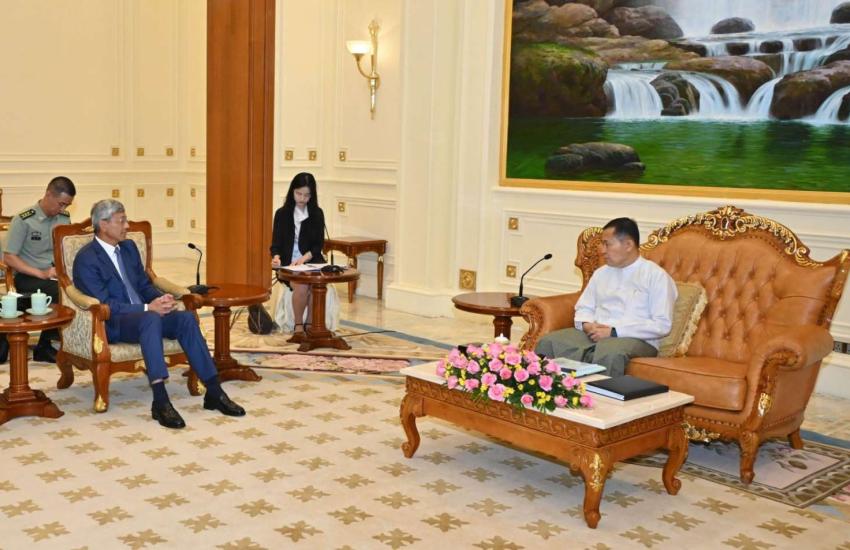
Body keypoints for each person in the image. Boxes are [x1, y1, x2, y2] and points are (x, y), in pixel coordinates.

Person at [72, 199, 246, 429]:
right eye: (121, 221)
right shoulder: (86, 259)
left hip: (146, 317)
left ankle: (214, 391)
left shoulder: (129, 248)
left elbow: (144, 285)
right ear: (103, 225)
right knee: (151, 318)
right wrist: (147, 308)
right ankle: (161, 400)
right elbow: (106, 305)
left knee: (185, 319)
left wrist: (159, 298)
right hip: (115, 323)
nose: (127, 226)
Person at [535, 217, 677, 377]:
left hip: (636, 338)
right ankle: (551, 390)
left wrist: (614, 332)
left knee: (610, 354)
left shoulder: (656, 276)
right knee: (549, 342)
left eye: (607, 244)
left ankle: (594, 394)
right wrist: (587, 325)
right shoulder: (601, 273)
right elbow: (584, 307)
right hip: (594, 333)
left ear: (628, 245)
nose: (602, 250)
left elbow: (661, 325)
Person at [3, 176, 76, 363]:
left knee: (80, 288)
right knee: (63, 292)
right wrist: (41, 273)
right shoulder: (24, 220)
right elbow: (9, 257)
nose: (63, 209)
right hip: (28, 276)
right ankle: (45, 346)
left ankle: (64, 342)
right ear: (49, 195)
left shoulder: (64, 219)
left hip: (55, 275)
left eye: (66, 205)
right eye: (61, 204)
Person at [270, 172, 326, 336]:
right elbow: (275, 245)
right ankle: (299, 326)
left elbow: (318, 245)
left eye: (307, 195)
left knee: (316, 285)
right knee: (301, 285)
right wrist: (276, 258)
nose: (302, 198)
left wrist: (304, 258)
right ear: (292, 191)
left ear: (312, 195)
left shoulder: (316, 213)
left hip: (311, 261)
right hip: (289, 264)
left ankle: (311, 324)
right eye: (298, 193)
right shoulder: (282, 214)